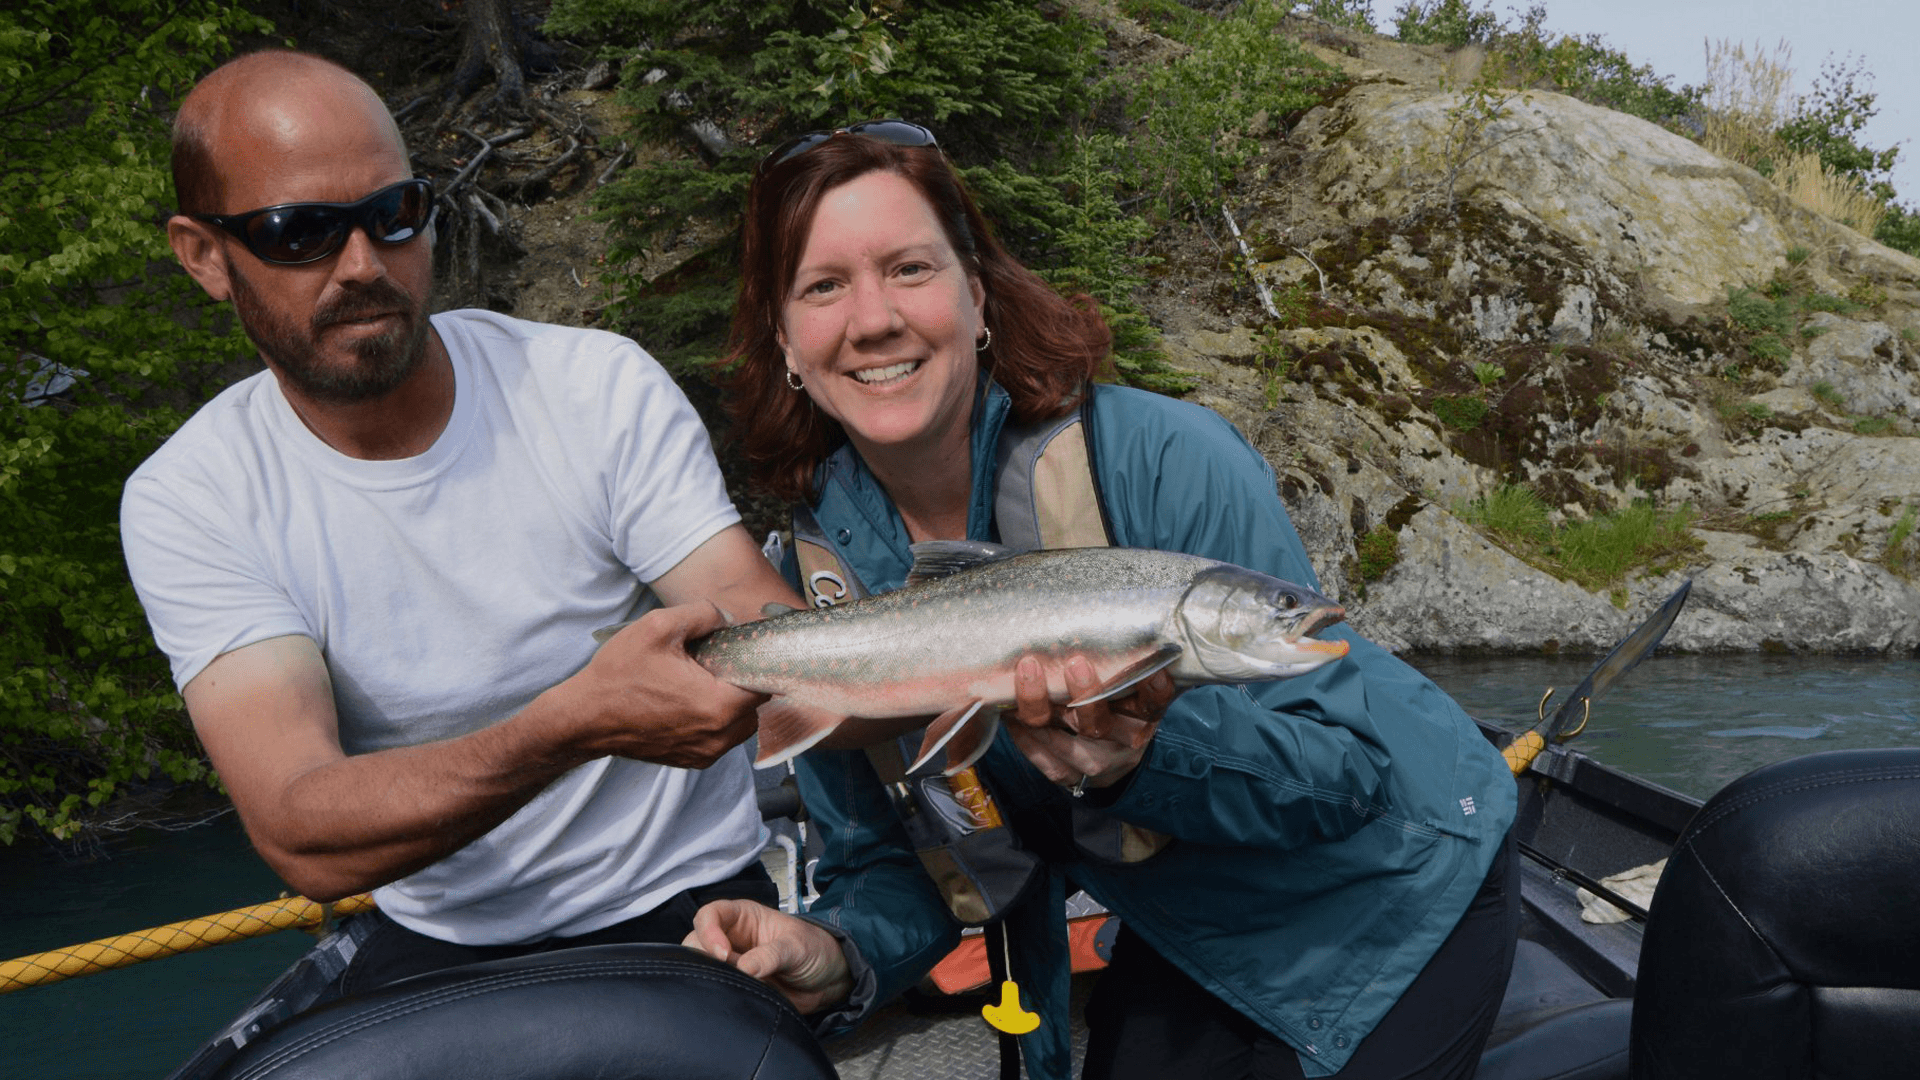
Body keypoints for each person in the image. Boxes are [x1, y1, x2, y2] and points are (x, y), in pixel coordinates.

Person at [681, 121, 1522, 1080]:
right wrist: (831, 957)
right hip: (1187, 925)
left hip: (1404, 887)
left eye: (909, 268)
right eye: (823, 285)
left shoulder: (1169, 459)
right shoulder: (809, 582)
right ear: (786, 341)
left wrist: (1137, 765)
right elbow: (889, 868)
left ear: (977, 294)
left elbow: (1347, 775)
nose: (872, 318)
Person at [120, 49, 801, 1004]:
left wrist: (995, 664)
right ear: (203, 256)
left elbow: (772, 637)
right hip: (439, 938)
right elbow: (296, 825)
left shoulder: (588, 385)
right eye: (301, 232)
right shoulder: (194, 497)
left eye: (394, 215)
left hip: (693, 905)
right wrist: (571, 725)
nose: (364, 265)